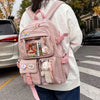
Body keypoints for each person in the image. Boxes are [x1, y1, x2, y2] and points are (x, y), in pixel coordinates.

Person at [19, 0, 83, 100]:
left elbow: (23, 47)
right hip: (66, 79)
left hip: (39, 78)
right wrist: (61, 55)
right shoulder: (63, 9)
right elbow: (77, 41)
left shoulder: (26, 15)